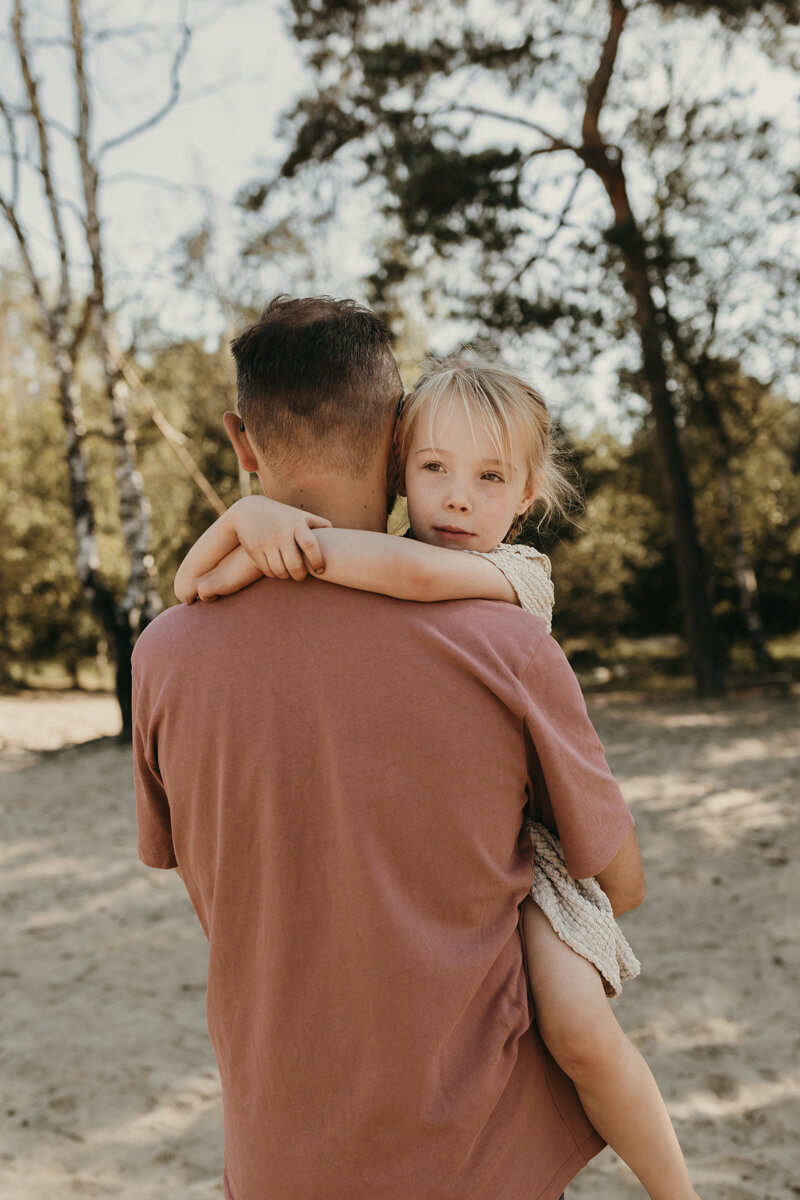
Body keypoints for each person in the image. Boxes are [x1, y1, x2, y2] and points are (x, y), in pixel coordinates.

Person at [133, 295, 639, 1200]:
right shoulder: (505, 641)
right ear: (400, 435)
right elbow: (622, 882)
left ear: (243, 443)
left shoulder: (163, 657)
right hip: (478, 1155)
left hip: (279, 1155)